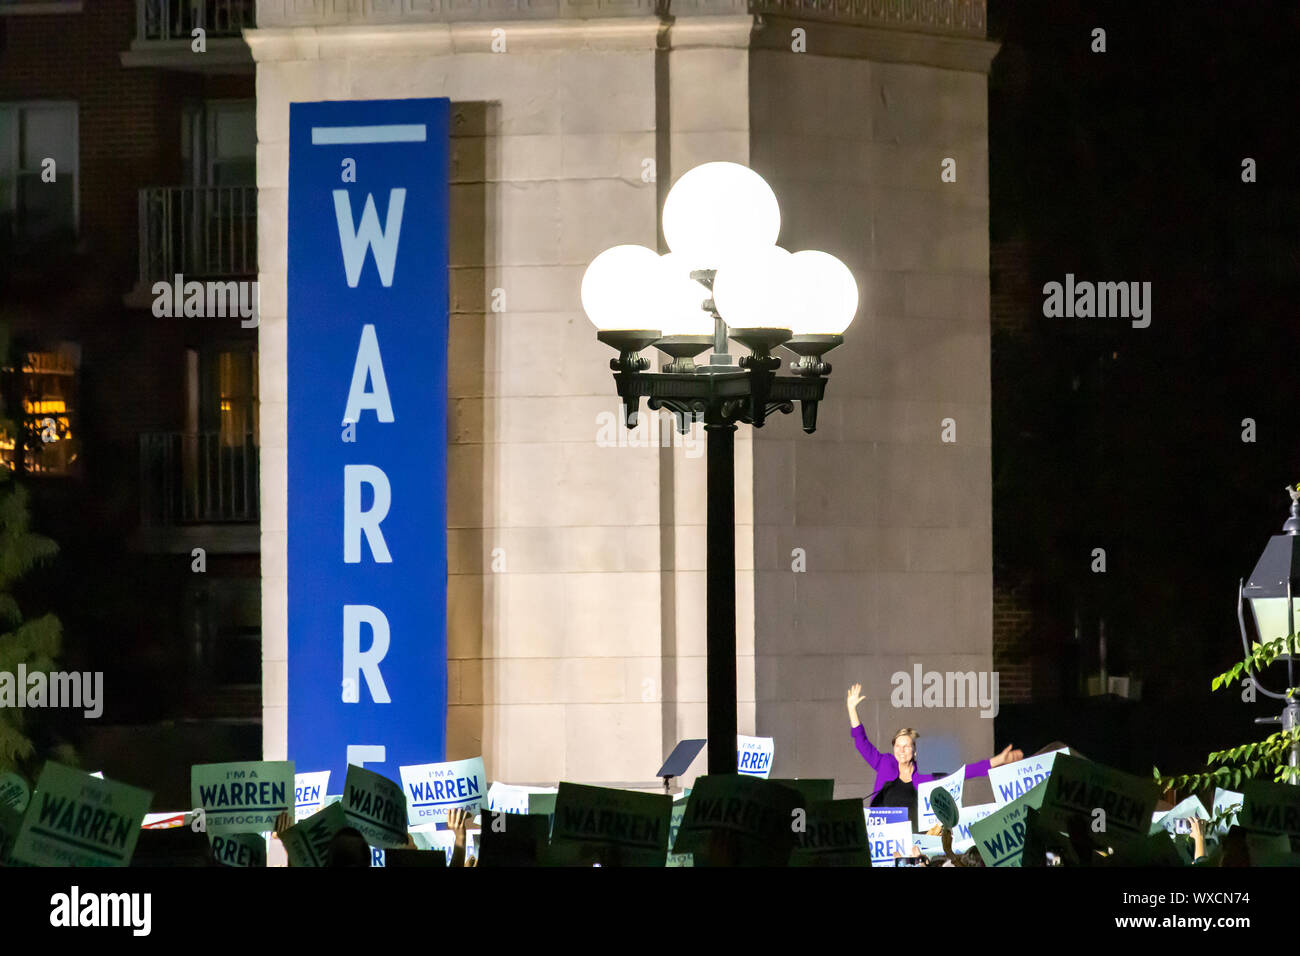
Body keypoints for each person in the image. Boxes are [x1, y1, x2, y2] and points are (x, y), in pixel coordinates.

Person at [846, 682, 1023, 829]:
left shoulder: (926, 775)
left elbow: (963, 773)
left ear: (914, 751)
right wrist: (852, 709)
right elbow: (861, 743)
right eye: (898, 746)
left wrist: (998, 760)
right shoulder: (884, 764)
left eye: (906, 746)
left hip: (915, 841)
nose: (901, 750)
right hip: (884, 838)